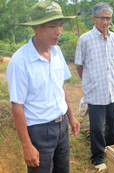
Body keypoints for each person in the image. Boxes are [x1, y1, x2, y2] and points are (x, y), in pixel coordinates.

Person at [6, 1, 80, 172]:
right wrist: (27, 146)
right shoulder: (20, 62)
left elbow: (60, 86)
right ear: (35, 28)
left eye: (60, 26)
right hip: (39, 131)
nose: (59, 31)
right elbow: (17, 106)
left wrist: (70, 117)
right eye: (52, 26)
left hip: (61, 127)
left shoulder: (56, 52)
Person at [75, 2, 114, 172]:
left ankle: (112, 152)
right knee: (96, 127)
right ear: (94, 19)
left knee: (113, 125)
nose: (105, 21)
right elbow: (79, 66)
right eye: (102, 18)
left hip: (111, 91)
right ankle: (98, 158)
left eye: (108, 17)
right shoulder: (85, 39)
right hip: (95, 92)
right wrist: (88, 82)